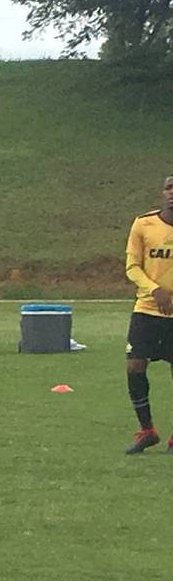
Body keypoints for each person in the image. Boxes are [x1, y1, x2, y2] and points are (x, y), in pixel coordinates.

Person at [120, 174, 173, 453]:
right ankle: (147, 430)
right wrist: (154, 289)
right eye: (169, 187)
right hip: (147, 309)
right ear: (162, 192)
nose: (172, 192)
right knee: (135, 366)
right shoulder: (144, 224)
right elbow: (133, 266)